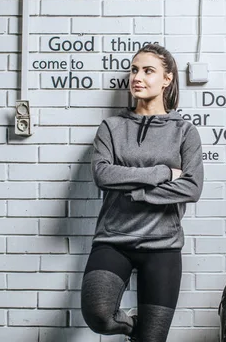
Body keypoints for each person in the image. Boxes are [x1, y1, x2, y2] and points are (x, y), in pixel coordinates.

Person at [81, 44, 204, 342]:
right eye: (135, 70)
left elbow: (191, 187)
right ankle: (136, 328)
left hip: (163, 246)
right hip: (114, 240)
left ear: (167, 79)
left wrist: (136, 194)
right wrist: (161, 173)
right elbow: (103, 175)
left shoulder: (184, 132)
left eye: (148, 70)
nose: (137, 76)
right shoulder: (111, 127)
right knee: (99, 315)